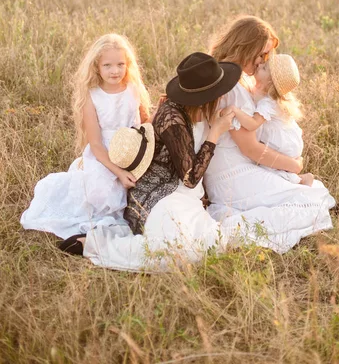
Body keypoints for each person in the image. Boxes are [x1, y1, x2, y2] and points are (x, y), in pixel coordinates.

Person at [59, 52, 246, 269]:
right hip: (158, 195)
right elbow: (190, 178)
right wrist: (215, 133)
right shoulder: (173, 118)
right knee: (177, 253)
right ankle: (95, 244)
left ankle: (121, 237)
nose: (221, 96)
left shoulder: (204, 110)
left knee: (210, 246)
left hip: (186, 197)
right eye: (217, 92)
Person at [204, 15, 336, 253]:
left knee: (312, 191)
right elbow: (250, 148)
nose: (264, 61)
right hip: (232, 174)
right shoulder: (232, 87)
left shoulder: (232, 76)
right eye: (262, 55)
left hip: (235, 168)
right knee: (311, 202)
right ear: (247, 47)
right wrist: (292, 165)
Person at [20, 34, 150, 239]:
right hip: (104, 155)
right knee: (103, 193)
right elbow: (96, 144)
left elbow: (145, 124)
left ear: (128, 65)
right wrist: (118, 172)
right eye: (107, 65)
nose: (115, 71)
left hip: (132, 150)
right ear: (96, 67)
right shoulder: (93, 96)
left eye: (120, 64)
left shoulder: (134, 90)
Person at [229, 51, 314, 186]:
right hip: (288, 140)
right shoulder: (263, 94)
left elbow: (252, 124)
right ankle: (298, 179)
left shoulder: (268, 103)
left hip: (283, 144)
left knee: (270, 169)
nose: (260, 64)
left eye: (264, 68)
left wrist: (235, 111)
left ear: (269, 82)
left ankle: (301, 180)